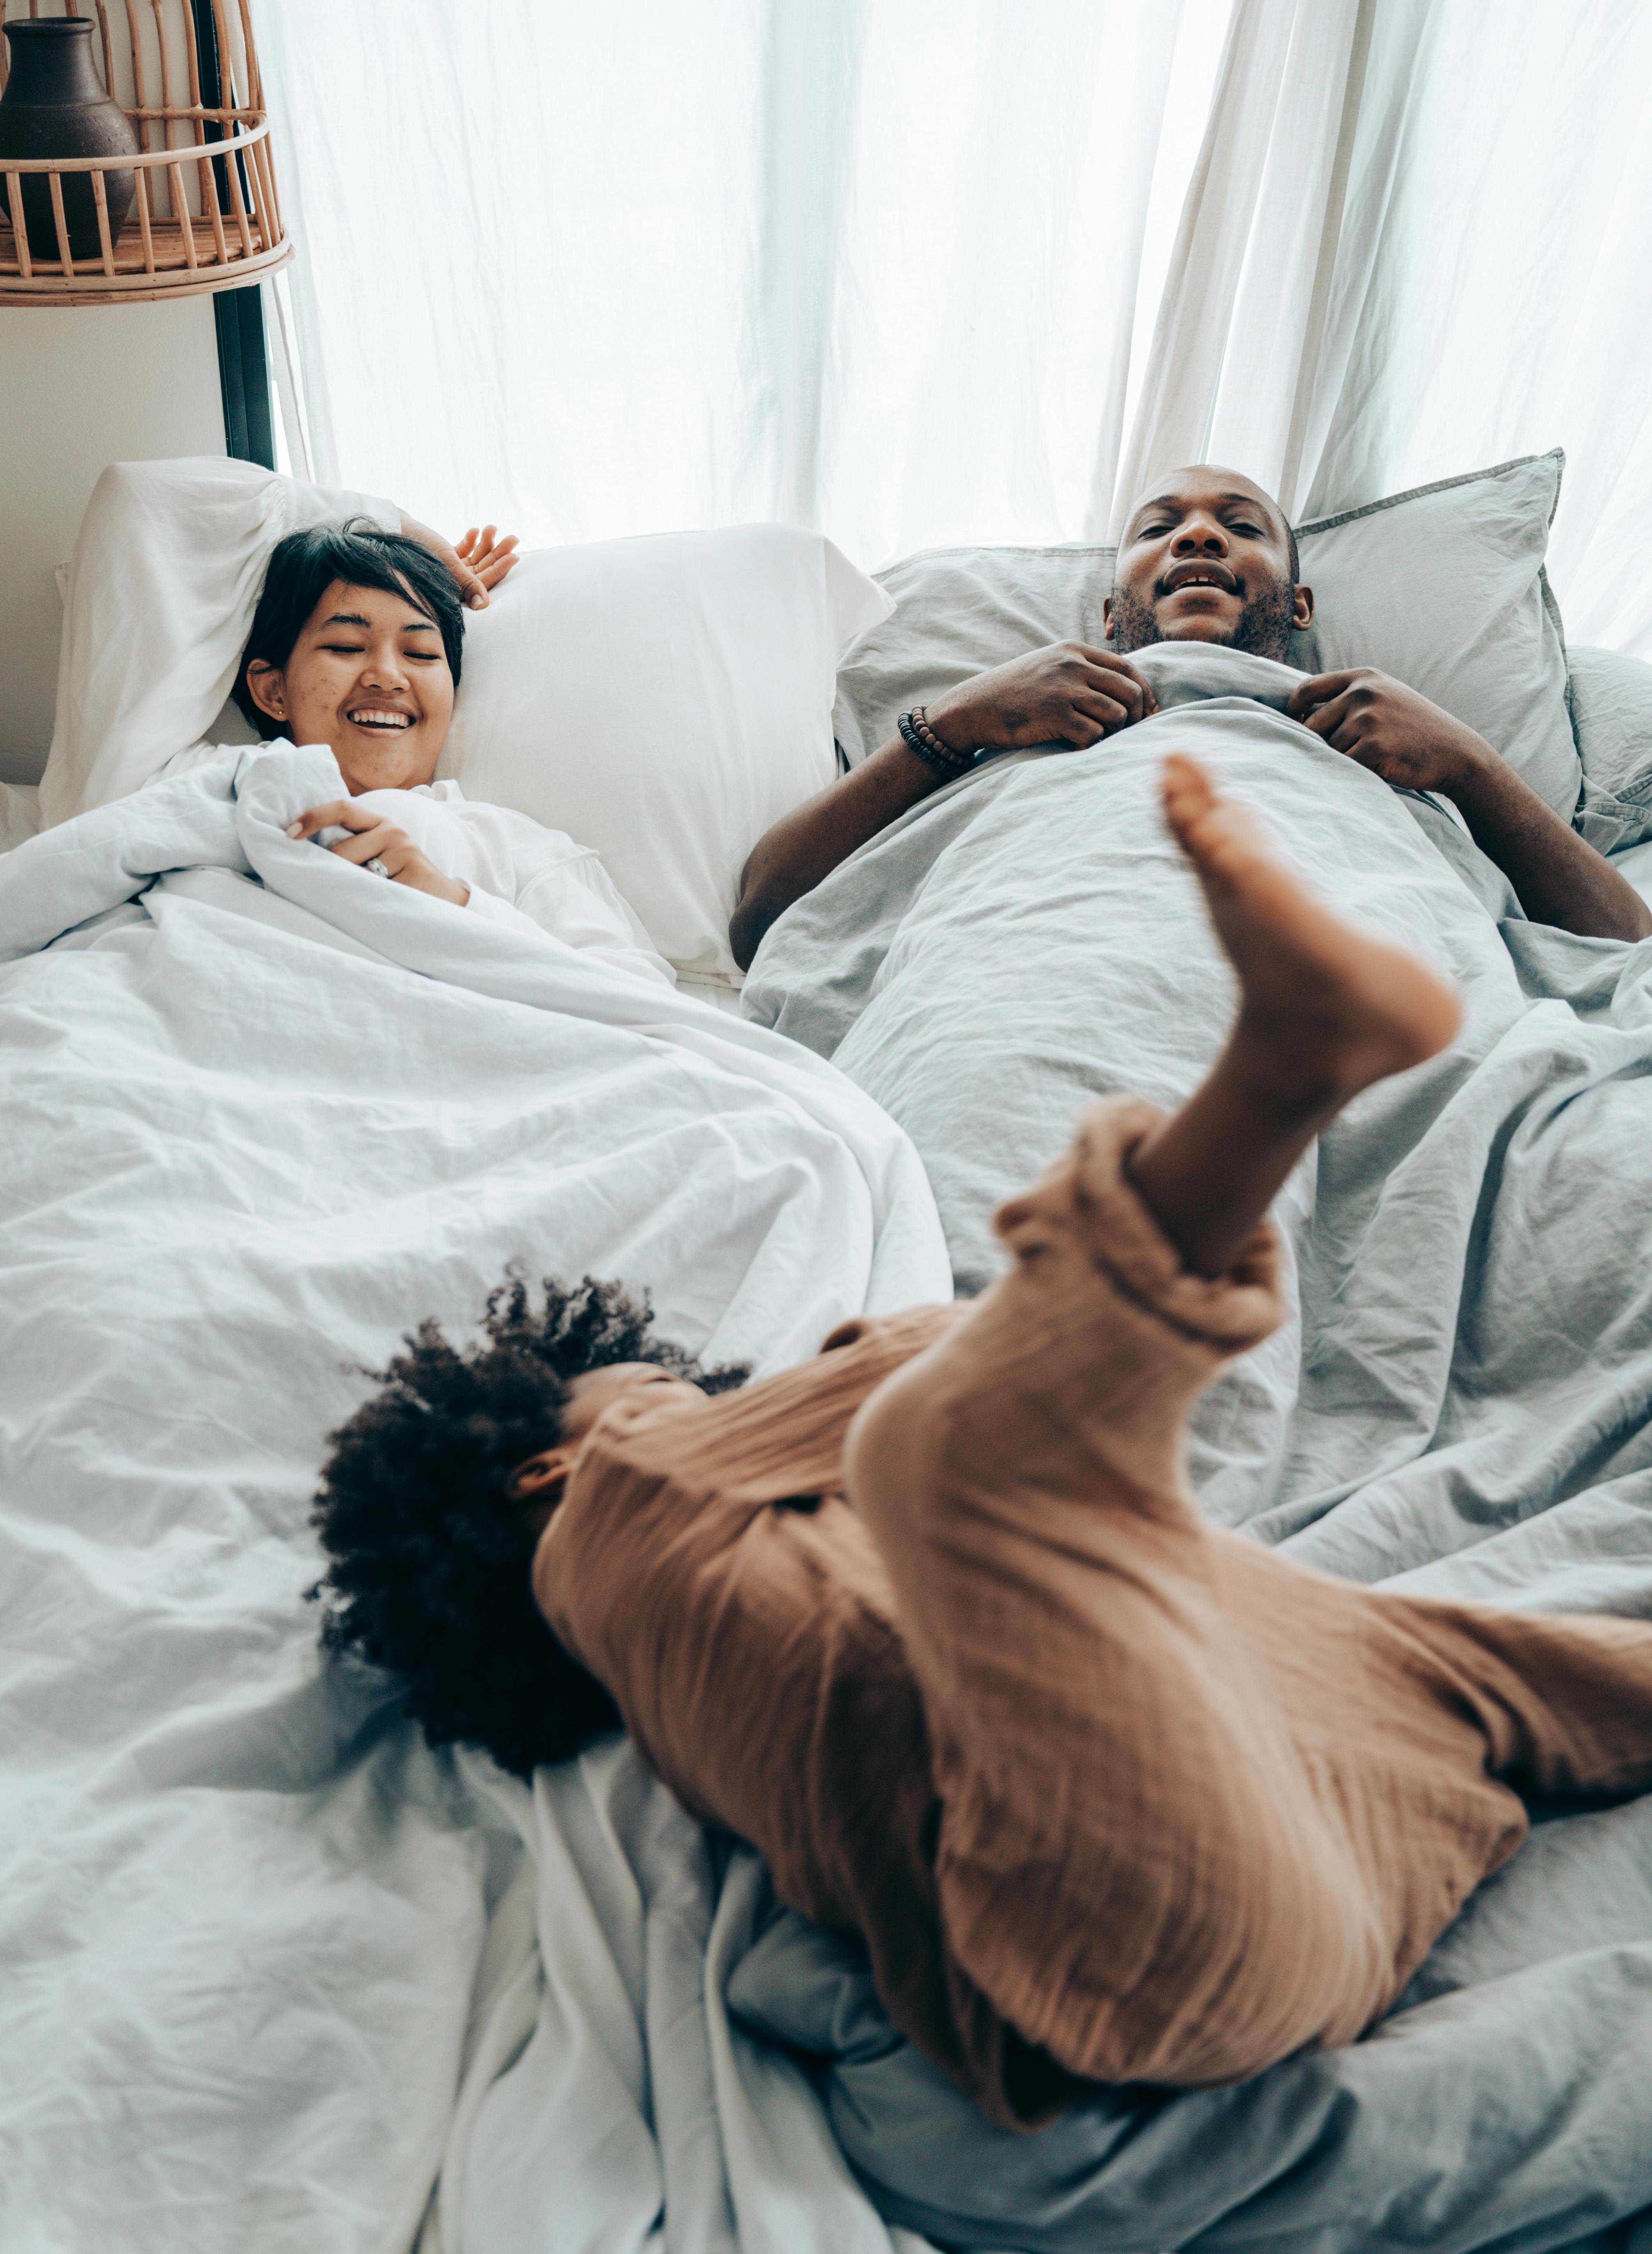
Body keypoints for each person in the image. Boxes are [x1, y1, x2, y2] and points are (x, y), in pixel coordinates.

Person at [310, 753, 1652, 2126]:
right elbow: (925, 1361)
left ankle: (1284, 1064)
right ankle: (1274, 1071)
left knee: (1334, 1617)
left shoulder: (743, 1577)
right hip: (1139, 1922)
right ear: (542, 1464)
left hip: (1295, 1896)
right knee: (944, 1462)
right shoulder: (610, 1534)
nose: (697, 1393)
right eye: (645, 1384)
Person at [729, 464, 1652, 967]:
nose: (1198, 534)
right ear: (1104, 614)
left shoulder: (1389, 747)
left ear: (1297, 607)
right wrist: (959, 719)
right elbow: (762, 910)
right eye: (1159, 526)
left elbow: (1626, 953)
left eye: (1240, 526)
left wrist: (1470, 766)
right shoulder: (1001, 730)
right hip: (1034, 963)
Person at [233, 518, 674, 983]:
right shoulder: (226, 788)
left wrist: (453, 904)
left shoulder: (517, 848)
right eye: (346, 646)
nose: (388, 676)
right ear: (273, 689)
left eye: (420, 653)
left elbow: (644, 999)